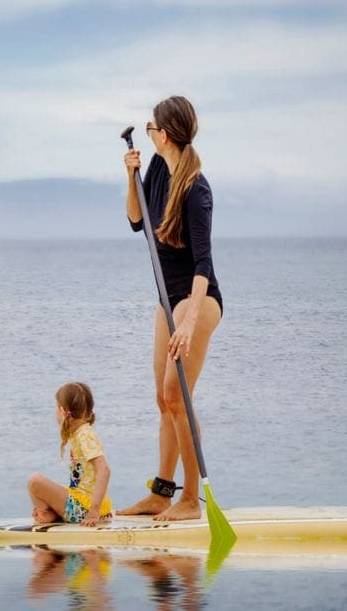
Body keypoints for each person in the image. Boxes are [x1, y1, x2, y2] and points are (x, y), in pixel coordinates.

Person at [118, 95, 223, 522]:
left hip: (198, 300)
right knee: (164, 399)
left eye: (150, 128)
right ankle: (162, 493)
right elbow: (136, 221)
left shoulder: (197, 189)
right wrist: (131, 177)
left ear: (164, 134)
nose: (148, 133)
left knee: (177, 395)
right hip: (167, 299)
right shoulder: (158, 169)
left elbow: (204, 264)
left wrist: (190, 320)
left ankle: (191, 501)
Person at [27, 382, 113, 526]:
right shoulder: (80, 433)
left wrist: (94, 510)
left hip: (84, 509)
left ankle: (46, 512)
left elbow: (104, 470)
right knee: (53, 487)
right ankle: (51, 513)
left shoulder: (85, 435)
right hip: (82, 502)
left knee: (34, 481)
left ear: (62, 411)